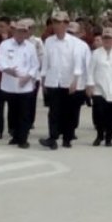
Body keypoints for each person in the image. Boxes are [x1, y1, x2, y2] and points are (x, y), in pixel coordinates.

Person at [39, 11, 84, 150]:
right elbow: (46, 61)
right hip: (53, 81)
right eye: (56, 22)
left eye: (62, 22)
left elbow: (77, 62)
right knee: (53, 111)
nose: (59, 25)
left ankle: (67, 138)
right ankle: (52, 138)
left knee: (69, 111)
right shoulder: (49, 41)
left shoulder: (74, 42)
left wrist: (75, 79)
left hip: (68, 81)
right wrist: (43, 78)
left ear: (66, 24)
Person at [0, 19, 39, 149]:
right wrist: (10, 71)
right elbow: (1, 63)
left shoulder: (30, 46)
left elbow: (35, 65)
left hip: (25, 86)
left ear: (27, 33)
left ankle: (23, 139)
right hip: (10, 84)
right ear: (14, 31)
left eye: (24, 32)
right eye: (19, 31)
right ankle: (15, 136)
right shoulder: (5, 45)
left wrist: (28, 76)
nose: (21, 34)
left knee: (24, 113)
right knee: (13, 113)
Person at [86, 27, 112, 147]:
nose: (107, 40)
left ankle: (109, 137)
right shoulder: (96, 54)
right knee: (98, 114)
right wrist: (90, 84)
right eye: (105, 38)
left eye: (110, 38)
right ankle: (99, 135)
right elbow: (90, 70)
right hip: (98, 89)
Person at [67, 21, 92, 140]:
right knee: (60, 108)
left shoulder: (83, 46)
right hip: (63, 83)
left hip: (79, 83)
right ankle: (61, 130)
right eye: (69, 32)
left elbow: (88, 66)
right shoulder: (61, 44)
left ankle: (71, 130)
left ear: (79, 34)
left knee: (74, 109)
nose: (71, 35)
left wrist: (89, 83)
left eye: (73, 33)